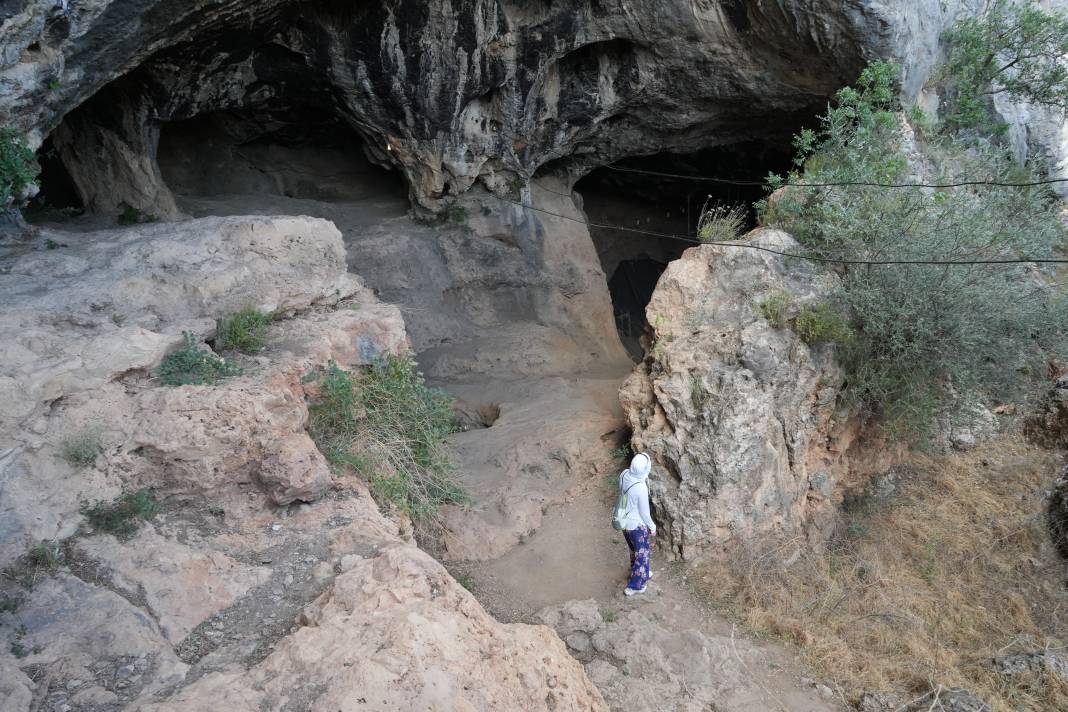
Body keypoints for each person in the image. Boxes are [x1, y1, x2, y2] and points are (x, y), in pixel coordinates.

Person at [618, 452, 656, 596]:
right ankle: (635, 586)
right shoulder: (641, 487)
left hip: (624, 522)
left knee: (633, 549)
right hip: (636, 526)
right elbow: (645, 513)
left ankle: (643, 571)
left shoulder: (624, 474)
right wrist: (652, 526)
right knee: (643, 554)